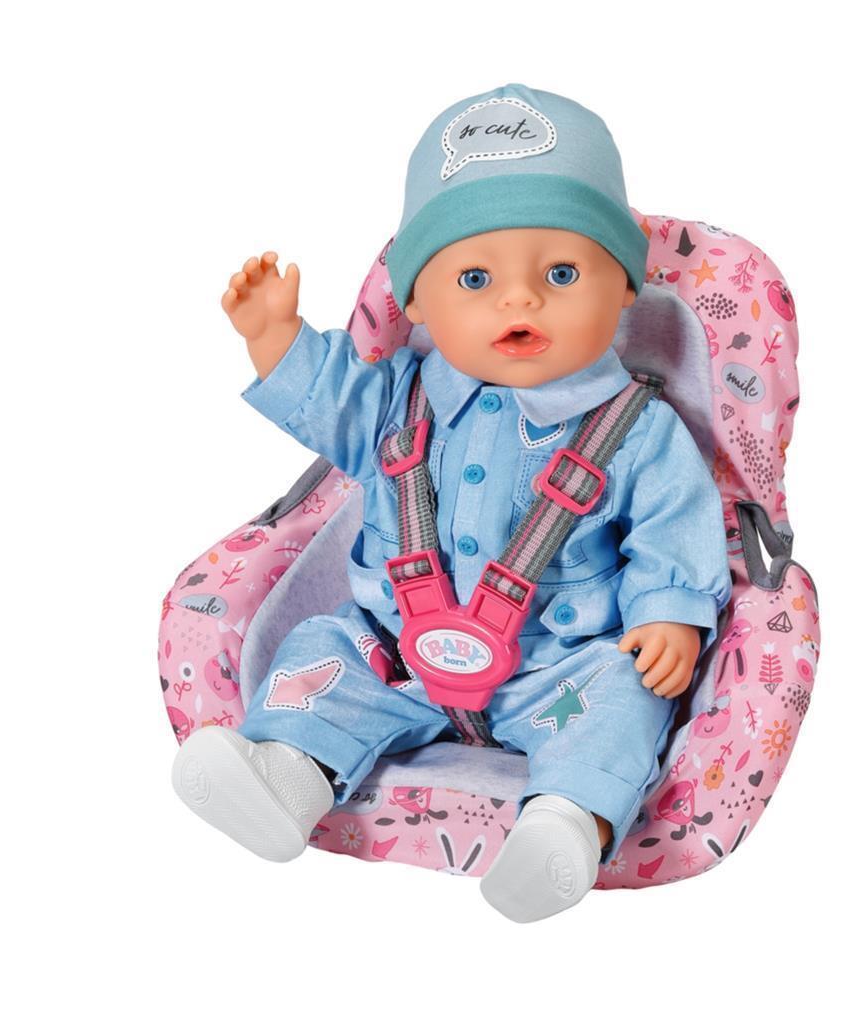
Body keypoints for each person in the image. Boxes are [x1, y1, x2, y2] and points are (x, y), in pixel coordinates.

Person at [172, 83, 731, 923]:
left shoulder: (638, 431)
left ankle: (564, 825)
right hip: (396, 653)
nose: (520, 299)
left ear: (624, 290)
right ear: (417, 304)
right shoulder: (395, 401)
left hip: (557, 670)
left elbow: (675, 527)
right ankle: (285, 781)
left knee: (625, 697)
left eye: (562, 273)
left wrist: (669, 616)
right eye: (475, 278)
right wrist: (275, 339)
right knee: (322, 652)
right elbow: (329, 401)